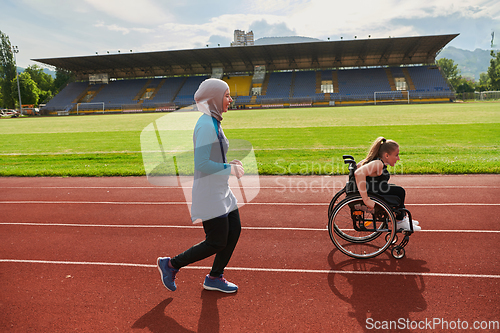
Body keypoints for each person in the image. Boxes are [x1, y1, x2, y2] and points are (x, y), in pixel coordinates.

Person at [157, 78, 244, 293]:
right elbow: (203, 164)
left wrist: (228, 164)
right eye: (226, 95)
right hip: (210, 192)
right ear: (214, 98)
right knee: (216, 241)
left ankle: (215, 277)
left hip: (221, 190)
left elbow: (213, 155)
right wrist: (230, 169)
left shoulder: (213, 121)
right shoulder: (206, 125)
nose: (230, 100)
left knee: (233, 231)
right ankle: (170, 265)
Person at [354, 137, 421, 231]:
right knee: (400, 191)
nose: (398, 158)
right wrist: (366, 199)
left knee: (397, 190)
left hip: (376, 189)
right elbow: (358, 173)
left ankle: (402, 219)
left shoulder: (378, 162)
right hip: (374, 192)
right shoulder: (378, 163)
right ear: (386, 155)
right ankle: (400, 221)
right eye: (396, 155)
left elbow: (358, 166)